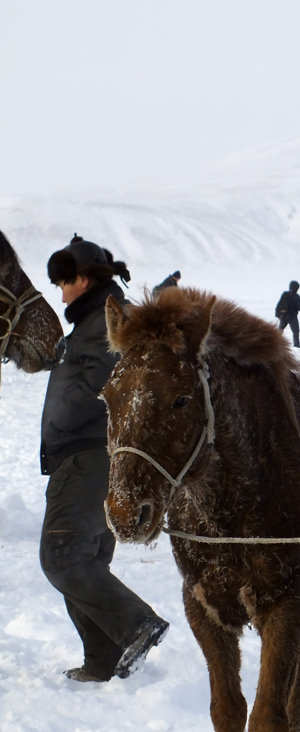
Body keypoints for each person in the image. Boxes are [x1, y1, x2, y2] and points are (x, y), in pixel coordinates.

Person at [42, 234, 169, 683]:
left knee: (61, 559)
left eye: (64, 283)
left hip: (87, 456)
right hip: (91, 456)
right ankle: (103, 660)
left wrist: (60, 415)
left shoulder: (103, 321)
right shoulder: (99, 319)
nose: (61, 294)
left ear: (82, 279)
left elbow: (101, 383)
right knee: (84, 561)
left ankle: (136, 623)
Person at [275, 280, 300, 347]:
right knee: (296, 331)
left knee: (280, 330)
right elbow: (299, 307)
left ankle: (275, 342)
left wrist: (278, 314)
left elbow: (279, 305)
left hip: (284, 316)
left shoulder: (285, 294)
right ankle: (296, 345)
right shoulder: (296, 296)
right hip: (292, 317)